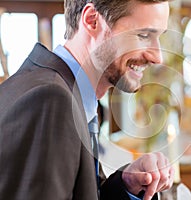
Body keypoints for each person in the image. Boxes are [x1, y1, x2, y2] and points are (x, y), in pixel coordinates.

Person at [0, 0, 174, 199]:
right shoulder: (51, 100)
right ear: (92, 21)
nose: (157, 57)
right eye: (143, 35)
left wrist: (127, 183)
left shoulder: (72, 96)